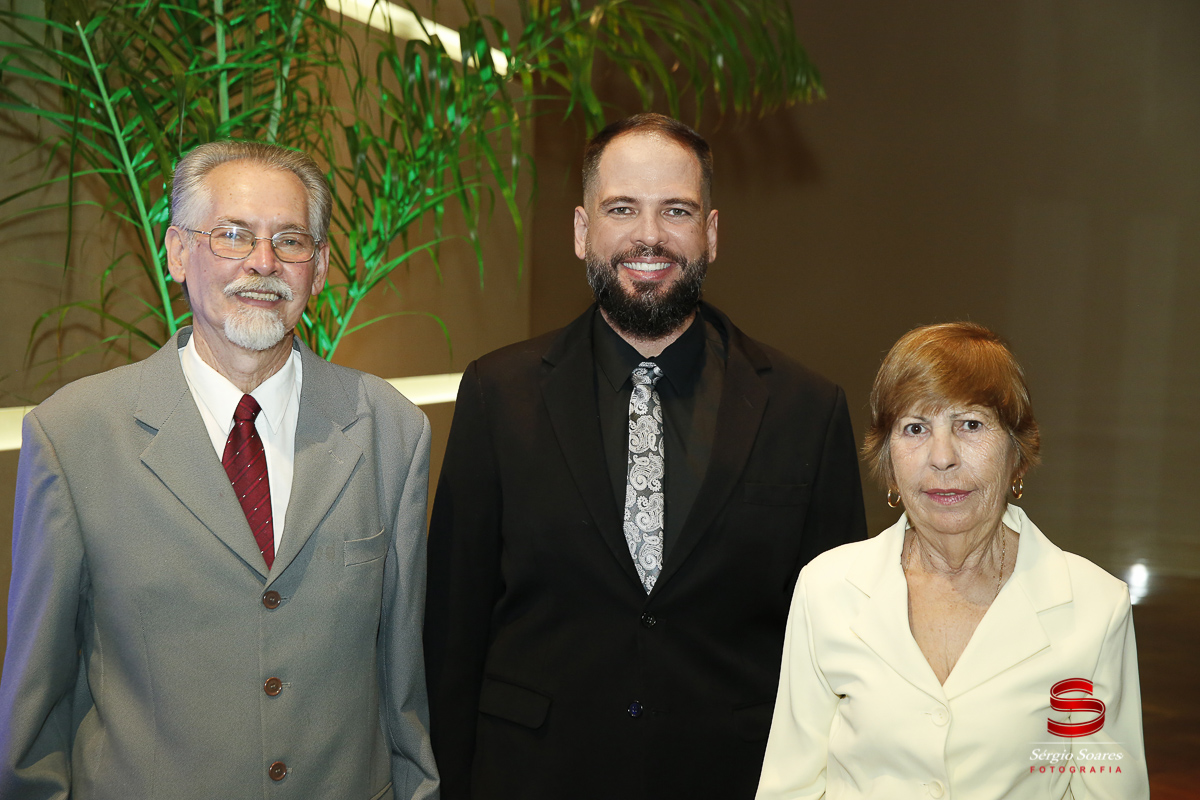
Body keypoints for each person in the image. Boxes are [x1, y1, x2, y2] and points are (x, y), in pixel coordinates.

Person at [424, 113, 868, 799]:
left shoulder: (805, 409)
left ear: (712, 234)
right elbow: (453, 633)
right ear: (582, 230)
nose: (650, 236)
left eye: (677, 210)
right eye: (622, 209)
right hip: (532, 777)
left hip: (735, 778)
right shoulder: (497, 393)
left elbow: (840, 646)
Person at [0, 141, 439, 799]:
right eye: (232, 235)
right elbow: (34, 718)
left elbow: (404, 693)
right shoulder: (73, 436)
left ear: (318, 269)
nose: (262, 263)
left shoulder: (391, 432)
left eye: (290, 241)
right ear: (178, 251)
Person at [756, 322, 1148, 800]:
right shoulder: (826, 588)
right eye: (916, 428)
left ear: (1017, 453)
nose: (941, 457)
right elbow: (789, 786)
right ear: (888, 457)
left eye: (971, 425)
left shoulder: (1094, 607)